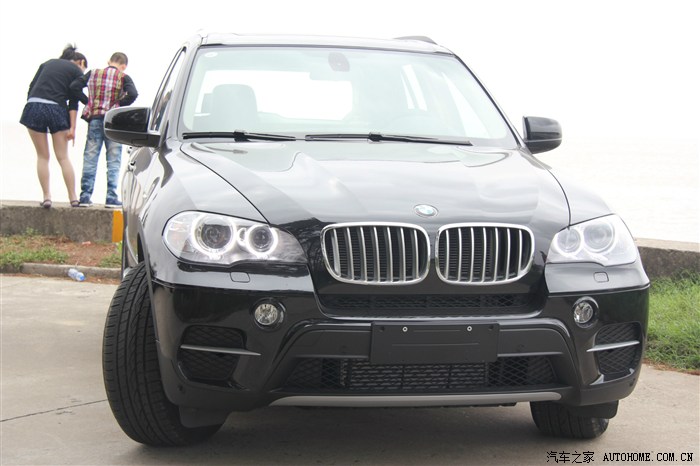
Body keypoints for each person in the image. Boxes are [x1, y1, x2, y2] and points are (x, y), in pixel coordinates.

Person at [19, 45, 88, 208]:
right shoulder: (77, 71)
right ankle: (73, 198)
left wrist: (33, 104)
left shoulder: (47, 63)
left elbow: (31, 87)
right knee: (63, 157)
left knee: (42, 156)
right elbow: (74, 101)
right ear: (81, 62)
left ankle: (47, 197)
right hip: (56, 108)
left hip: (34, 106)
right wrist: (73, 128)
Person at [71, 52, 138, 208]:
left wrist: (88, 102)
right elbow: (133, 94)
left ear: (109, 61)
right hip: (113, 122)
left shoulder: (93, 73)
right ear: (123, 66)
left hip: (95, 119)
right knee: (114, 160)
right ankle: (111, 197)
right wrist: (118, 106)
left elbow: (74, 87)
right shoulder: (123, 77)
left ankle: (85, 196)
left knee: (90, 157)